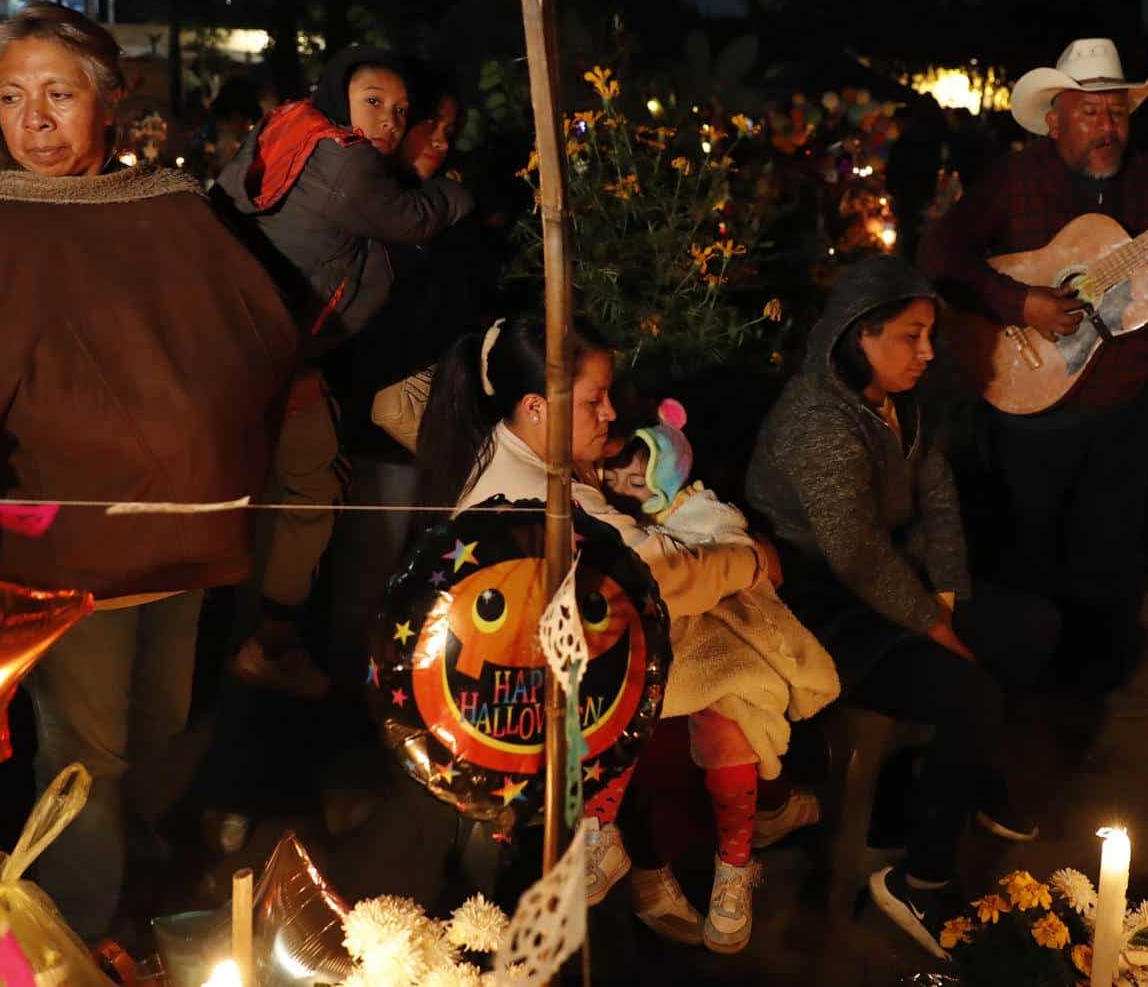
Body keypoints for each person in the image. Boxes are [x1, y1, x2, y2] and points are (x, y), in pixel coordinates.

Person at [0, 4, 296, 939]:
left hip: (183, 529)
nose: (35, 121)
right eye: (11, 98)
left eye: (58, 94)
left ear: (107, 102)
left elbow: (255, 338)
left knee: (162, 716)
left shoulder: (171, 209)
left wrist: (196, 430)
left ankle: (136, 866)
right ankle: (76, 928)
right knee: (89, 747)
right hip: (67, 547)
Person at [417, 316, 793, 950]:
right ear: (535, 407)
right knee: (716, 671)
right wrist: (752, 561)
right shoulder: (547, 498)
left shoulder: (500, 445)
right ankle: (656, 856)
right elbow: (662, 574)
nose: (610, 413)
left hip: (518, 691)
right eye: (592, 400)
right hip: (531, 714)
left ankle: (657, 864)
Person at [922, 37, 1148, 687]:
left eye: (1117, 112)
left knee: (1111, 553)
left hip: (1123, 401)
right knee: (1026, 550)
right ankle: (1019, 691)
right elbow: (943, 255)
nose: (1107, 126)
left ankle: (1089, 695)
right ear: (1054, 117)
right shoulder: (1014, 178)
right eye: (1089, 113)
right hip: (1027, 401)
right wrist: (1020, 302)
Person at [746, 255, 1061, 960]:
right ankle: (920, 881)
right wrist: (936, 627)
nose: (926, 352)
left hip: (897, 583)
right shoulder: (820, 424)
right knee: (971, 693)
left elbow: (937, 493)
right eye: (909, 336)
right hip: (824, 611)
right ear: (862, 336)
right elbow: (854, 554)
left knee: (1033, 626)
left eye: (929, 335)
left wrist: (947, 595)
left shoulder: (903, 399)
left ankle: (935, 781)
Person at [213, 45, 475, 696]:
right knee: (295, 492)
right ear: (341, 98)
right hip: (271, 362)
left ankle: (256, 642)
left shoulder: (321, 150)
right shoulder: (351, 167)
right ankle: (261, 642)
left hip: (282, 360)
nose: (397, 126)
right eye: (382, 107)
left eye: (408, 114)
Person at [595, 399, 839, 952]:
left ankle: (735, 864)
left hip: (716, 629)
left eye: (637, 474)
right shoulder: (600, 511)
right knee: (630, 706)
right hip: (648, 639)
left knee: (729, 702)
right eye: (616, 476)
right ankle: (608, 838)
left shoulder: (697, 507)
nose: (623, 483)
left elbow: (731, 557)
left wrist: (726, 567)